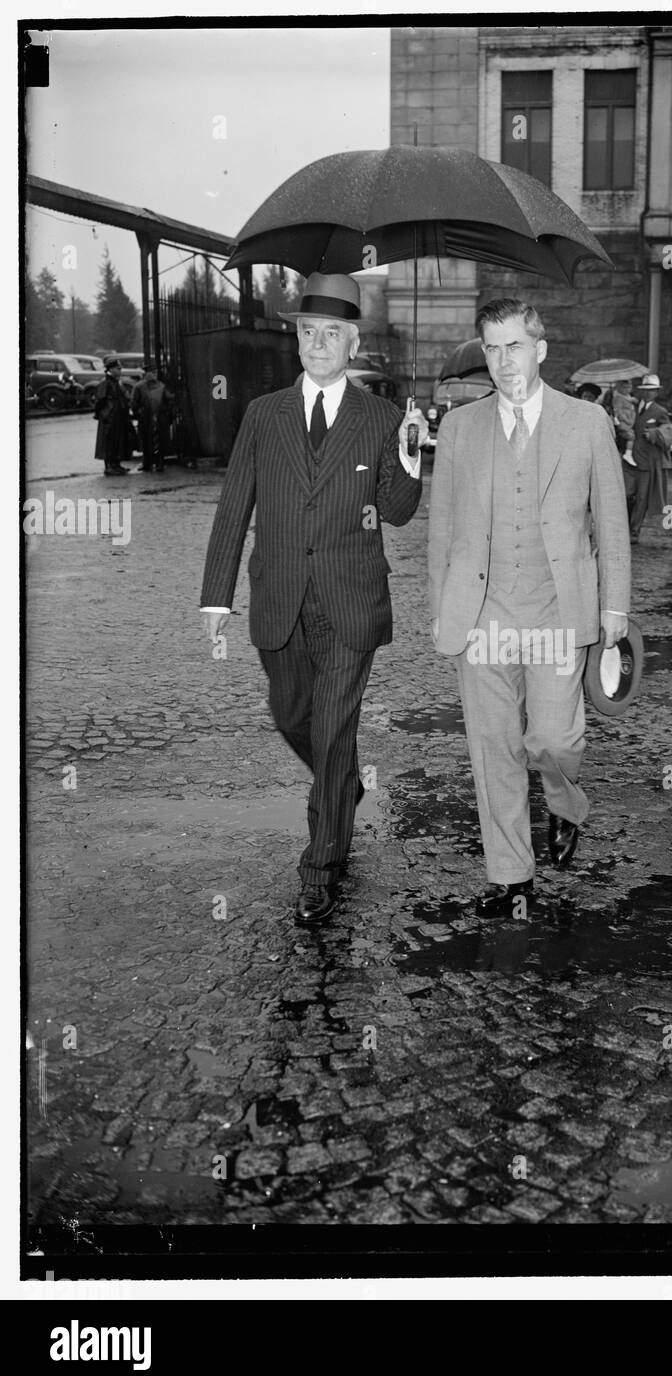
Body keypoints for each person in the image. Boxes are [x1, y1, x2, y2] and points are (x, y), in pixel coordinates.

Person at [200, 273, 426, 924]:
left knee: (331, 728)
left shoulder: (381, 419)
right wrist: (215, 599)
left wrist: (411, 456)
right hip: (278, 597)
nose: (319, 343)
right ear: (295, 337)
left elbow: (398, 512)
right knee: (291, 715)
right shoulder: (263, 414)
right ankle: (342, 786)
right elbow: (232, 505)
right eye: (308, 332)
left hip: (349, 602)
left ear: (352, 341)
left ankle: (320, 865)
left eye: (332, 333)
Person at [428, 298, 630, 917]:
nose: (502, 359)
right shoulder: (460, 428)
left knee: (552, 738)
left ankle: (565, 801)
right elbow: (442, 528)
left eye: (514, 345)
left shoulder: (587, 423)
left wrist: (615, 608)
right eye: (491, 347)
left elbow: (611, 521)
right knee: (494, 747)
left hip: (556, 611)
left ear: (540, 350)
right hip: (482, 613)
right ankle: (511, 876)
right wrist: (443, 609)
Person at [629, 372, 672, 541]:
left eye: (652, 390)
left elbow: (669, 430)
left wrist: (655, 434)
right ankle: (628, 526)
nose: (649, 393)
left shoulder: (660, 411)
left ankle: (634, 530)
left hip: (648, 462)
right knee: (628, 495)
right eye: (646, 389)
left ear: (656, 393)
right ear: (641, 391)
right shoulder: (633, 407)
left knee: (642, 497)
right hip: (629, 459)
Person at [130, 360, 174, 472]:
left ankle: (160, 462)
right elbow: (134, 403)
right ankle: (147, 463)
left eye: (156, 372)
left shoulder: (161, 385)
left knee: (161, 440)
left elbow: (168, 399)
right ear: (146, 374)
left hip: (160, 417)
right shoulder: (139, 387)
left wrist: (168, 411)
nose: (155, 374)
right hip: (146, 418)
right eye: (152, 372)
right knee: (146, 441)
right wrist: (139, 413)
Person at [93, 355, 132, 476]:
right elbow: (100, 400)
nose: (120, 371)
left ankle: (116, 464)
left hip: (117, 416)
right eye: (118, 369)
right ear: (111, 369)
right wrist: (101, 414)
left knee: (117, 441)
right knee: (109, 442)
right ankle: (109, 466)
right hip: (109, 417)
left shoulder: (115, 382)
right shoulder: (105, 383)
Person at [611, 378, 638, 467]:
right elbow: (618, 412)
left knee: (631, 436)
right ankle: (628, 454)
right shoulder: (618, 397)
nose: (627, 389)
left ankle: (628, 453)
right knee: (631, 436)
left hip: (630, 420)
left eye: (629, 387)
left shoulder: (629, 397)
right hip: (623, 421)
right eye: (625, 387)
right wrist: (627, 420)